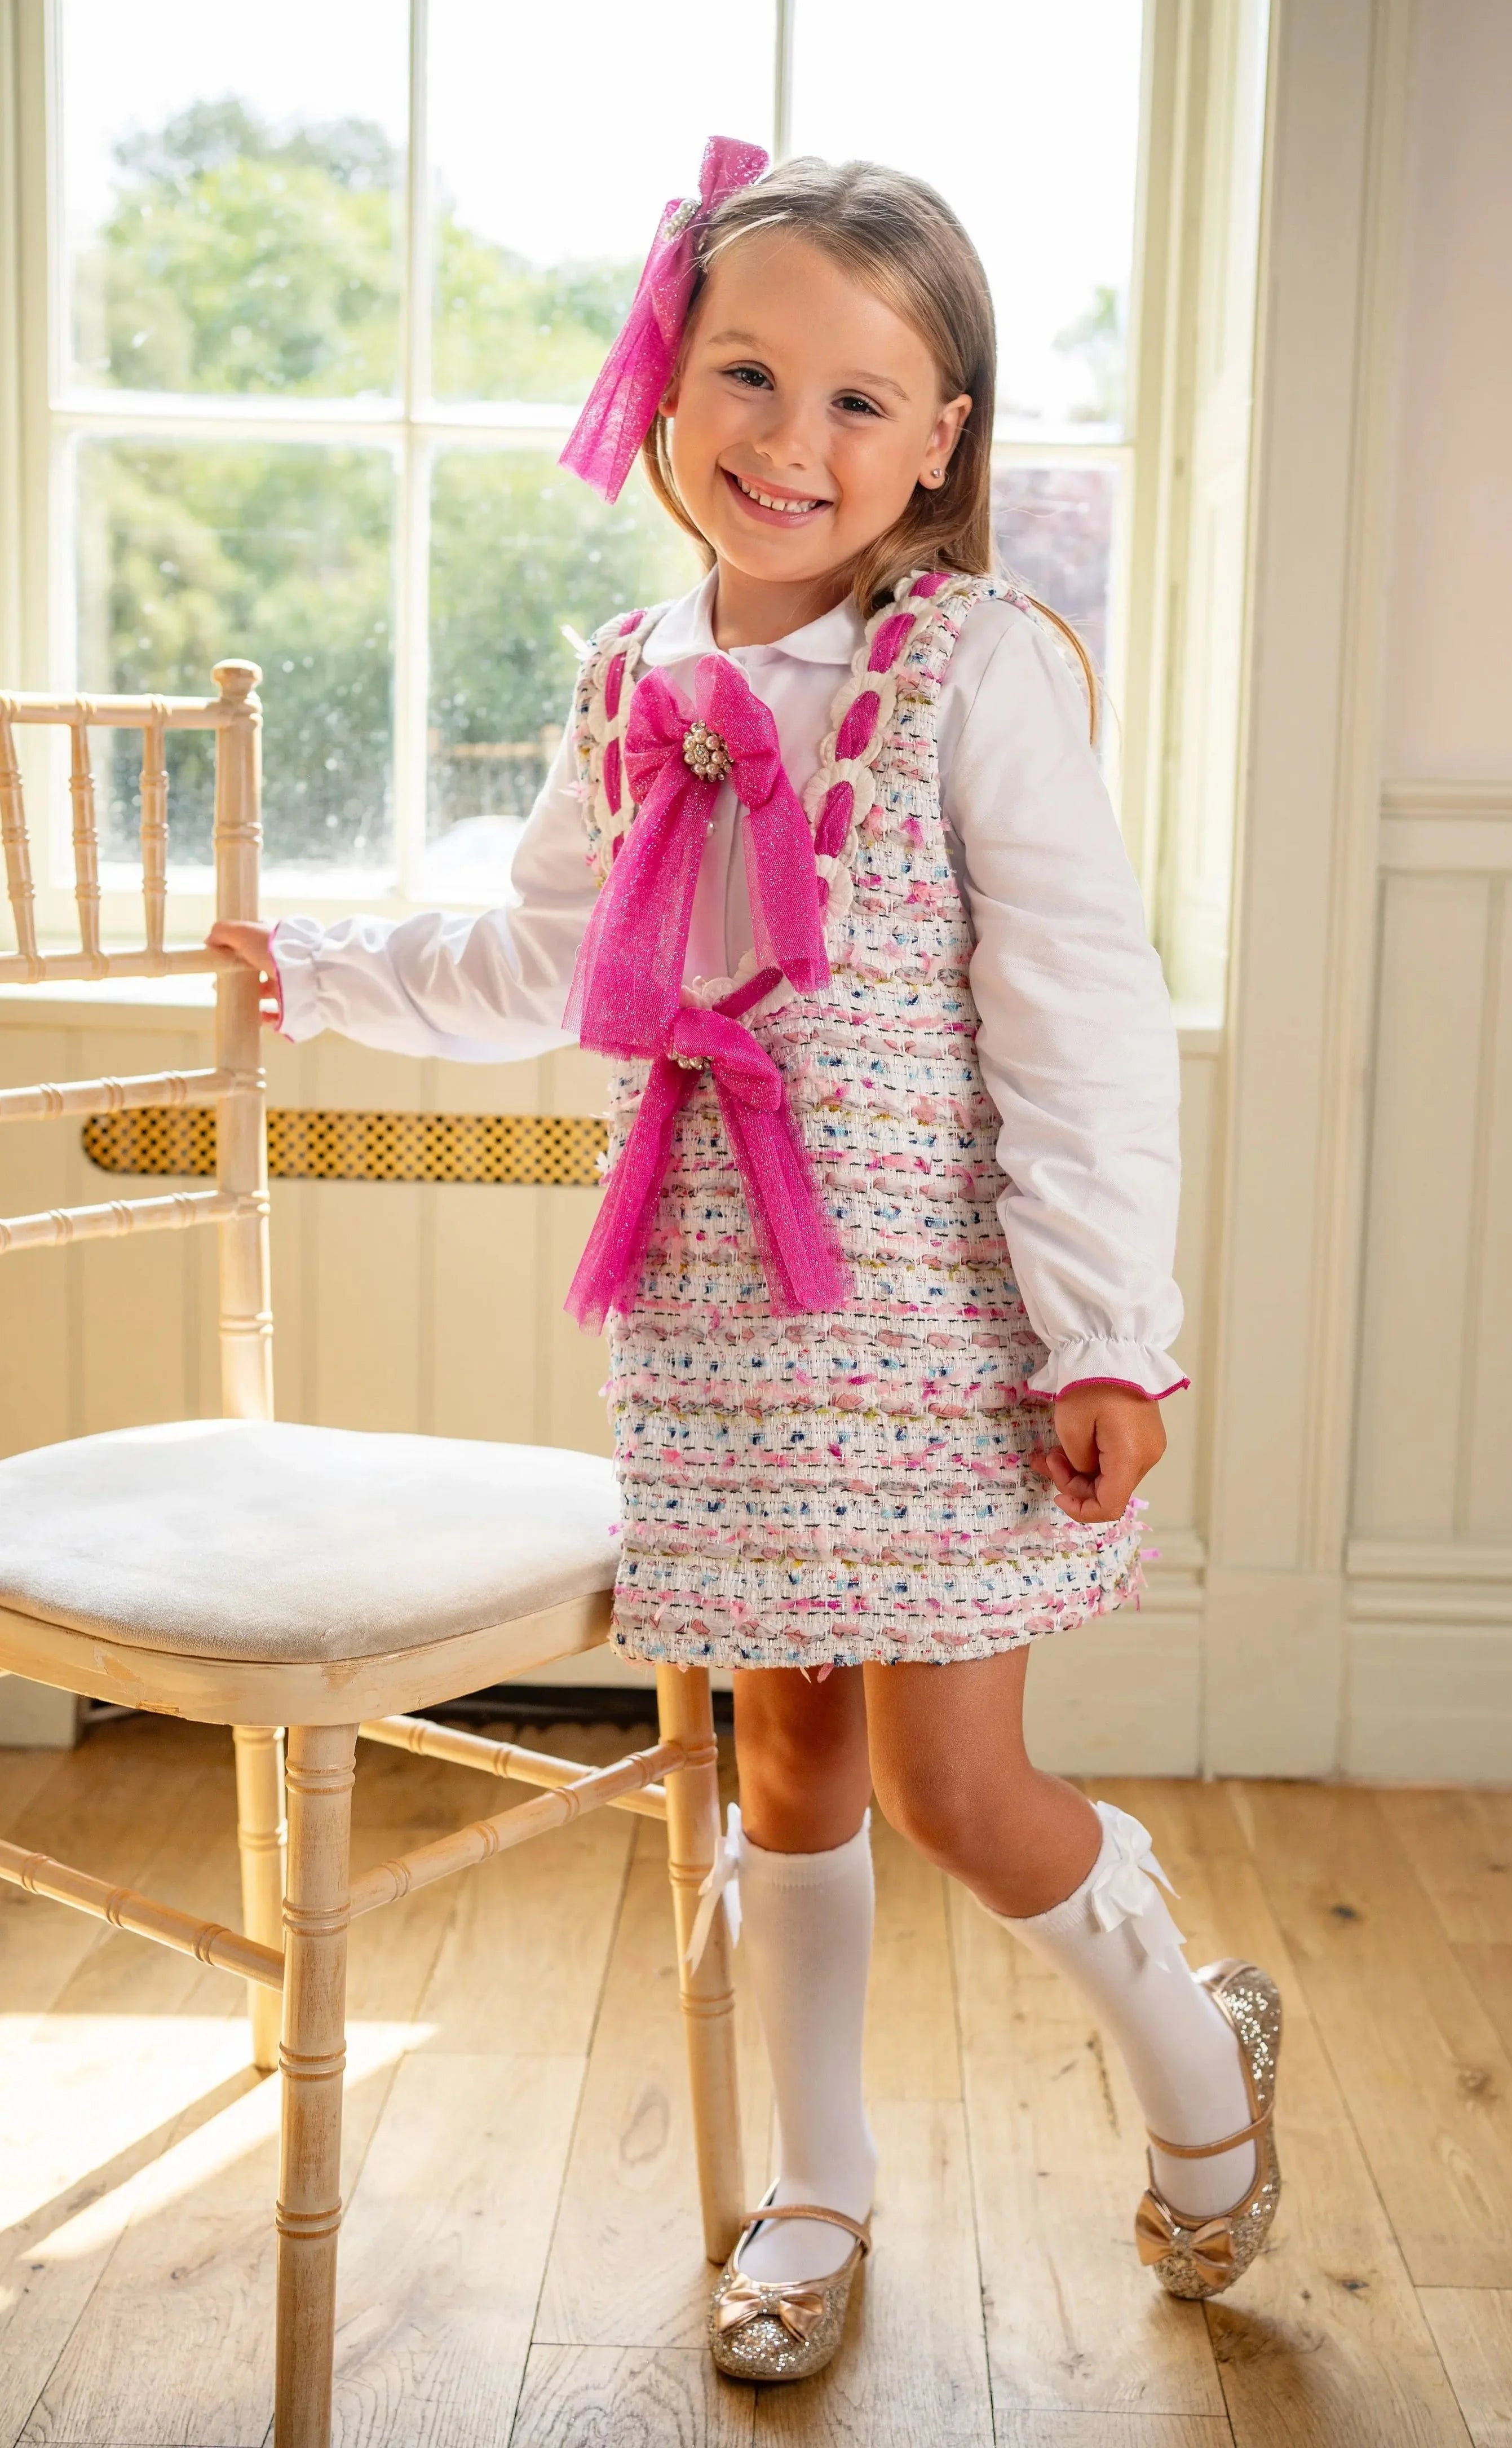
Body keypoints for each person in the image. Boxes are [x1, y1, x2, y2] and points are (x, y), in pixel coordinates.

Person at [211, 139, 1281, 2384]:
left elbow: (1078, 1022)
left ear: (941, 444)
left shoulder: (978, 668)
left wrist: (1107, 1338)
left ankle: (1198, 2060)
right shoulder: (628, 676)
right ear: (665, 386)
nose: (792, 440)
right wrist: (324, 966)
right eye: (746, 374)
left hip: (947, 1328)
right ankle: (811, 2185)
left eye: (860, 400)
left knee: (955, 1787)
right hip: (715, 1321)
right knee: (782, 1764)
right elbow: (541, 953)